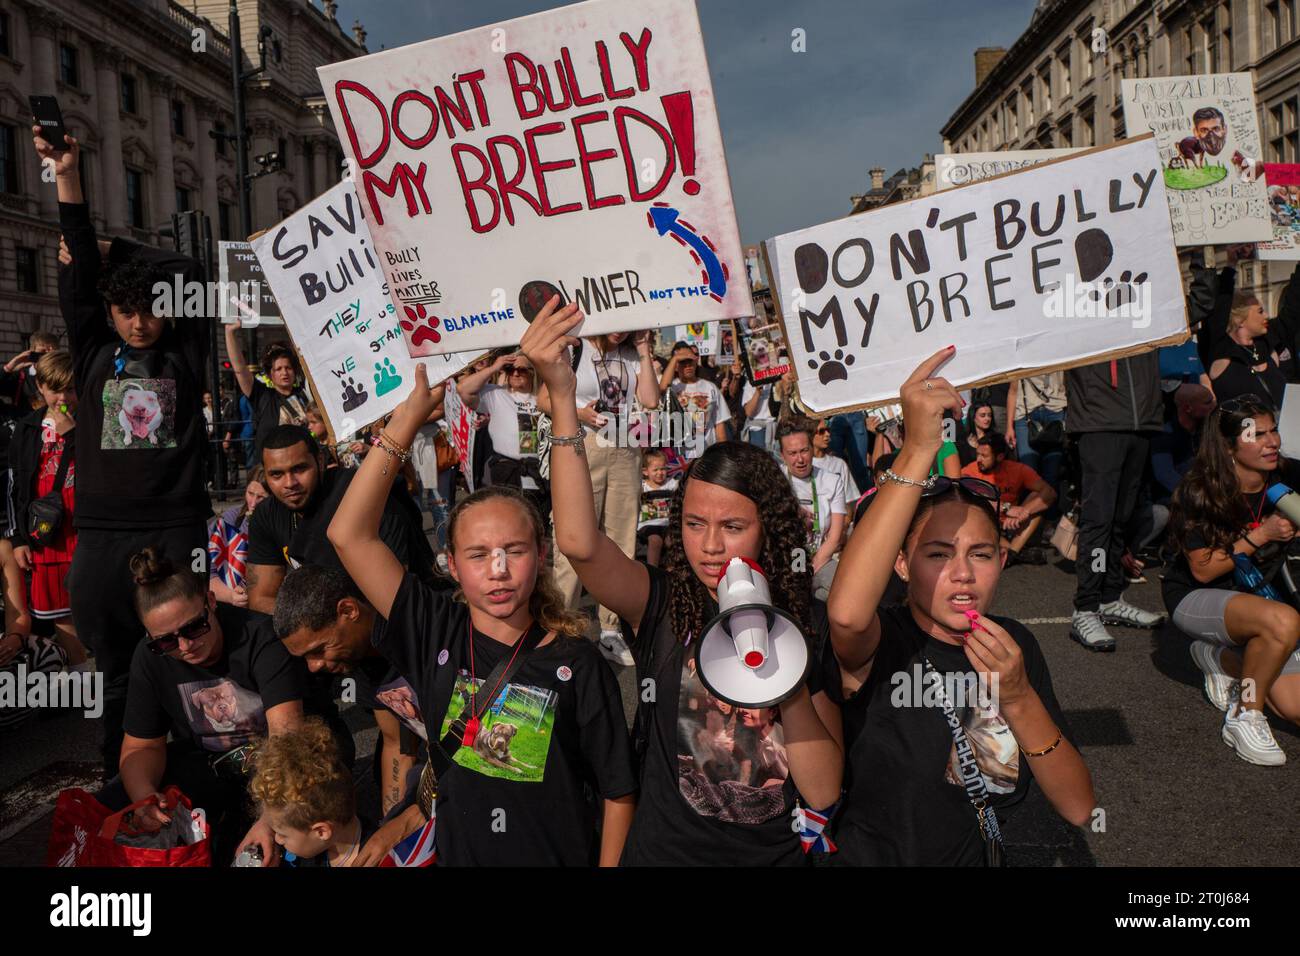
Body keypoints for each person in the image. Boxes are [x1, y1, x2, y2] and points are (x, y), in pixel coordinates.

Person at [524, 296, 842, 866]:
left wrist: (781, 665)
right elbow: (578, 542)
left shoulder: (807, 623)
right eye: (694, 524)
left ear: (768, 527)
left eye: (734, 526)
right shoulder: (662, 601)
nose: (712, 545)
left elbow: (821, 791)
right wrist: (563, 401)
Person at [325, 367, 638, 866]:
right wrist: (404, 422)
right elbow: (349, 535)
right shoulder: (432, 630)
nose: (498, 570)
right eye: (477, 554)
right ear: (450, 563)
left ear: (542, 553)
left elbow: (617, 791)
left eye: (514, 550)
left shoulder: (579, 663)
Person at [825, 346, 1095, 865]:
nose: (963, 573)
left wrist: (1016, 697)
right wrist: (920, 447)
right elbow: (845, 614)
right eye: (937, 554)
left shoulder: (1015, 646)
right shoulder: (882, 641)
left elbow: (1079, 806)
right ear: (900, 565)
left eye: (981, 554)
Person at [37, 126, 211, 772]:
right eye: (126, 311)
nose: (139, 323)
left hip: (173, 525)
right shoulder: (91, 351)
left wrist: (115, 249)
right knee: (113, 667)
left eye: (148, 311)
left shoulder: (184, 350)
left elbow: (191, 271)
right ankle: (122, 771)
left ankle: (196, 770)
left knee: (187, 653)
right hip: (103, 536)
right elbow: (81, 279)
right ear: (110, 313)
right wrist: (67, 174)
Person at [108, 547, 312, 862]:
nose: (185, 646)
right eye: (166, 641)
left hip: (286, 763)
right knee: (113, 805)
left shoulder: (260, 637)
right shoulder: (149, 657)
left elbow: (290, 742)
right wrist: (145, 799)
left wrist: (271, 819)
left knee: (257, 852)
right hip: (213, 768)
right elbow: (141, 747)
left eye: (194, 627)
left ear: (211, 603)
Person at [1163, 395, 1300, 766]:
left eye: (1273, 431)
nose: (1271, 442)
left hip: (1263, 597)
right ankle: (1244, 714)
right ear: (1228, 446)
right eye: (1257, 434)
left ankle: (1221, 659)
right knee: (1282, 621)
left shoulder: (1288, 477)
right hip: (1199, 596)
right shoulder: (1199, 489)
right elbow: (1203, 569)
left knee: (1295, 708)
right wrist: (1263, 535)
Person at [538, 329, 659, 667]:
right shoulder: (575, 348)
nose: (619, 328)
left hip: (626, 448)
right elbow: (544, 401)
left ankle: (610, 629)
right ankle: (560, 628)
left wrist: (644, 349)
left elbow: (650, 400)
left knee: (620, 542)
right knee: (573, 541)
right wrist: (580, 414)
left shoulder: (633, 353)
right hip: (582, 447)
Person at [274, 565, 426, 818]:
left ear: (349, 610)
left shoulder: (420, 631)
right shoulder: (358, 658)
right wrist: (391, 820)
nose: (314, 666)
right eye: (305, 658)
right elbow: (397, 742)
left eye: (319, 649)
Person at [245, 425, 434, 616]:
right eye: (276, 474)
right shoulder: (266, 514)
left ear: (320, 461)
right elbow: (260, 598)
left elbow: (396, 602)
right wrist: (310, 621)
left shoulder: (365, 498)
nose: (290, 483)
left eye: (300, 469)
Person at [1065, 354, 1167, 651]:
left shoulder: (1146, 307)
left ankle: (1110, 598)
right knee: (1100, 521)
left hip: (1141, 422)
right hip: (1099, 422)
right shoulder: (1080, 308)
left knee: (1121, 519)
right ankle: (1086, 607)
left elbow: (1197, 307)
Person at [10, 350, 87, 667]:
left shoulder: (94, 423)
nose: (63, 397)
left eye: (70, 388)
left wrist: (75, 433)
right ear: (40, 387)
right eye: (55, 388)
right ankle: (82, 677)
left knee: (96, 607)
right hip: (47, 536)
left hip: (88, 532)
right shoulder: (27, 428)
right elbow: (15, 488)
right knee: (62, 614)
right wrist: (18, 541)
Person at [248, 718, 375, 867]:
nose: (277, 840)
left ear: (321, 831)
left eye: (282, 835)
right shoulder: (312, 841)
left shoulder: (383, 860)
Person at [456, 351, 548, 515]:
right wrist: (494, 368)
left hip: (539, 476)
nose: (515, 373)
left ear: (533, 372)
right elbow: (463, 389)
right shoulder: (495, 393)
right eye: (509, 369)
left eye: (522, 369)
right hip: (506, 474)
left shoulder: (542, 398)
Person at [777, 419, 848, 600]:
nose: (799, 459)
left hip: (820, 554)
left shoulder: (831, 480)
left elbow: (834, 536)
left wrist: (813, 566)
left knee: (844, 589)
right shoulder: (775, 480)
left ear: (811, 449)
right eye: (792, 453)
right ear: (782, 455)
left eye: (804, 451)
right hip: (787, 555)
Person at [960, 433, 1056, 565]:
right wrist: (1007, 508)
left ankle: (1010, 554)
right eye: (978, 454)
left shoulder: (1017, 469)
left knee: (1037, 498)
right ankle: (1015, 553)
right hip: (987, 525)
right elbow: (976, 499)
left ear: (999, 457)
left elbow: (1049, 493)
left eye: (984, 456)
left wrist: (1024, 512)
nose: (979, 459)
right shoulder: (970, 471)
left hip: (1011, 524)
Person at [223, 318, 310, 454]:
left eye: (288, 368)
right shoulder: (263, 395)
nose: (284, 373)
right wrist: (229, 333)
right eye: (278, 369)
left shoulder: (305, 395)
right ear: (270, 374)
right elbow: (240, 369)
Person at [1208, 292, 1288, 407]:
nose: (1266, 315)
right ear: (1239, 319)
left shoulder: (1268, 350)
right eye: (1260, 311)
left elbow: (1290, 314)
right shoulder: (1222, 357)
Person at [207, 467, 268, 608]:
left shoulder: (283, 523)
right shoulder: (229, 520)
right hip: (230, 602)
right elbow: (205, 572)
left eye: (261, 497)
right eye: (250, 493)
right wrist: (230, 595)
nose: (252, 503)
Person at [1151, 383, 1215, 502]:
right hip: (1174, 499)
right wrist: (1196, 496)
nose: (1213, 405)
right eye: (1207, 402)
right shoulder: (1165, 435)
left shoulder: (1206, 431)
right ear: (1188, 408)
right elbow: (1165, 475)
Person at [665, 341, 730, 458]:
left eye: (690, 361)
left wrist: (723, 453)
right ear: (675, 365)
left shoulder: (710, 387)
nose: (687, 366)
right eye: (682, 362)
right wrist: (675, 358)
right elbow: (662, 389)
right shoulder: (672, 389)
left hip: (708, 452)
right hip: (681, 454)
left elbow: (719, 422)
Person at [1007, 372, 1068, 497]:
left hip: (1055, 410)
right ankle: (1032, 514)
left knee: (1052, 471)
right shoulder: (1019, 354)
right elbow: (1013, 391)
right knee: (1029, 471)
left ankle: (1051, 514)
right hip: (1025, 412)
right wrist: (1009, 427)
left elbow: (1067, 384)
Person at [637, 448, 677, 567]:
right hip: (648, 525)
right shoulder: (643, 486)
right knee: (655, 540)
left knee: (672, 540)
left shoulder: (671, 484)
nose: (660, 472)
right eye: (656, 470)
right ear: (645, 472)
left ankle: (672, 568)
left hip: (667, 524)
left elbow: (681, 490)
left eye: (663, 469)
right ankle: (652, 568)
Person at [812, 417, 860, 507]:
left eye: (828, 430)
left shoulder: (839, 464)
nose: (827, 434)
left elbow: (850, 499)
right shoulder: (803, 464)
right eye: (821, 431)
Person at [956, 402, 996, 468]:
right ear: (973, 417)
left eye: (989, 415)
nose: (987, 419)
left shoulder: (995, 439)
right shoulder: (962, 440)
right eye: (983, 415)